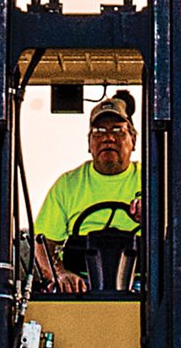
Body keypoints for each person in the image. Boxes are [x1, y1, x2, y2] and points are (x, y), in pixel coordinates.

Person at [33, 93, 141, 294]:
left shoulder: (152, 181)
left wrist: (153, 218)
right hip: (81, 286)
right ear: (89, 143)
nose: (108, 138)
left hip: (140, 285)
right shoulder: (69, 185)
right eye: (99, 132)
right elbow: (42, 243)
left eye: (118, 131)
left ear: (133, 140)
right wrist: (60, 274)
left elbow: (174, 232)